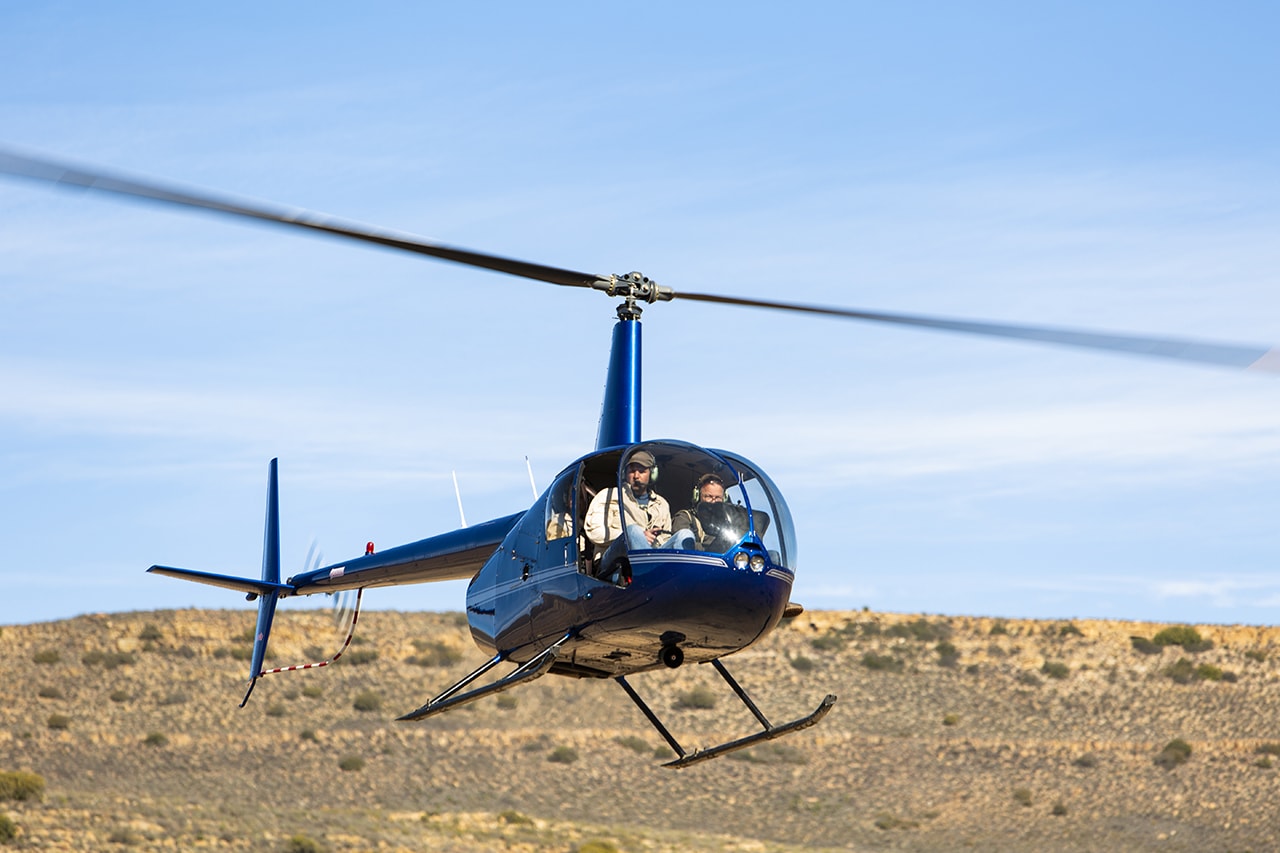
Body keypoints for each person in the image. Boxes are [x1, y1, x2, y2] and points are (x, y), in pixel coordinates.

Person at [584, 450, 673, 552]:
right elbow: (594, 532)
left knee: (684, 535)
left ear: (652, 474)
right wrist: (633, 536)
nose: (636, 476)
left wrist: (654, 541)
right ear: (624, 474)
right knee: (633, 530)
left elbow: (667, 538)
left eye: (641, 471)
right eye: (632, 471)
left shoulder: (662, 504)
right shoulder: (608, 495)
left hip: (655, 556)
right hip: (615, 561)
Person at [669, 472, 727, 551]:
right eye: (709, 496)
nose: (713, 502)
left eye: (717, 497)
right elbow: (683, 544)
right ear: (697, 497)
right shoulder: (684, 517)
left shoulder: (726, 523)